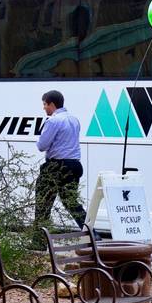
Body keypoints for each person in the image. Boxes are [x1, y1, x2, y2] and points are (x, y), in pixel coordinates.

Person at [34, 90, 86, 241]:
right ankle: (92, 234)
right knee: (71, 202)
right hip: (74, 165)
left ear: (52, 104)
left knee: (43, 203)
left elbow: (41, 145)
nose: (44, 108)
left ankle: (39, 241)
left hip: (56, 167)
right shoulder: (74, 119)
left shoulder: (53, 121)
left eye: (44, 104)